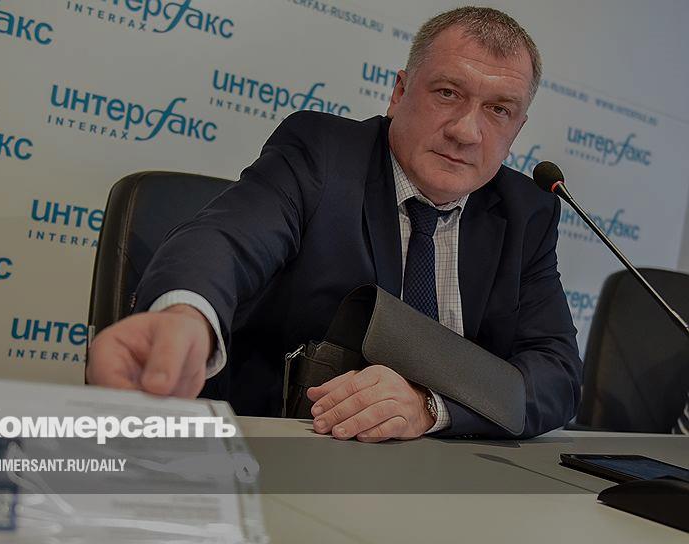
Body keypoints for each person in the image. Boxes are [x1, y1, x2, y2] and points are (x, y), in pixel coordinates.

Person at [86, 6, 583, 441]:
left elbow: (556, 375)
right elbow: (227, 239)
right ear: (399, 92)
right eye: (448, 92)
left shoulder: (528, 212)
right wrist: (187, 316)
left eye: (498, 110)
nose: (467, 131)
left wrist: (431, 408)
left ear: (517, 129)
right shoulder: (322, 155)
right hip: (295, 452)